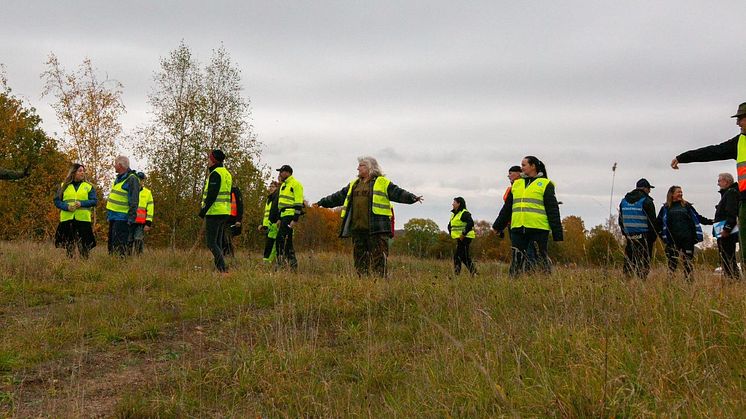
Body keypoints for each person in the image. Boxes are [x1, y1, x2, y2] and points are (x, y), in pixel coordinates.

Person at [315, 156, 423, 277]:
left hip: (377, 229)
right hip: (357, 229)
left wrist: (412, 197)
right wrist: (321, 202)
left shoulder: (382, 182)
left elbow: (397, 192)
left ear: (370, 167)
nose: (358, 168)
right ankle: (363, 284)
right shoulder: (354, 184)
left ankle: (379, 285)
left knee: (379, 260)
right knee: (360, 261)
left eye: (361, 166)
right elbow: (338, 196)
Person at [671, 101, 746, 268]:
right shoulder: (739, 142)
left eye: (741, 118)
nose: (737, 123)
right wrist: (684, 157)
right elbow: (712, 151)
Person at [493, 156, 563, 276]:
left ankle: (545, 282)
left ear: (533, 166)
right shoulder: (517, 184)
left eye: (524, 165)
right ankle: (513, 285)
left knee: (540, 258)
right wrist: (498, 225)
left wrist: (557, 233)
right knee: (516, 259)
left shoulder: (546, 184)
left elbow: (552, 209)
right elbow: (507, 208)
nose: (521, 167)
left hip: (538, 229)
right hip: (518, 228)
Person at [656, 186, 712, 281]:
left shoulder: (687, 206)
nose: (681, 194)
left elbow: (698, 217)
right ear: (672, 194)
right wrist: (662, 236)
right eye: (678, 192)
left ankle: (689, 282)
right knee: (672, 263)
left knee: (688, 263)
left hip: (687, 239)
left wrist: (711, 221)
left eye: (681, 192)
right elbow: (658, 224)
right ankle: (670, 283)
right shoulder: (665, 208)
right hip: (672, 241)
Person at [618, 178, 660, 279]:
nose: (649, 191)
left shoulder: (624, 201)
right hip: (644, 239)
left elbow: (620, 221)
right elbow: (652, 223)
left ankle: (627, 287)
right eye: (649, 189)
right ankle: (641, 287)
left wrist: (626, 234)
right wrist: (652, 239)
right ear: (645, 189)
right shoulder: (647, 201)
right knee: (643, 267)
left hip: (630, 238)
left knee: (629, 265)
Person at [198, 149, 232, 273]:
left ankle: (223, 269)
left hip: (215, 212)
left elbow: (212, 194)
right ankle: (220, 268)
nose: (207, 160)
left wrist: (203, 210)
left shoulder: (216, 174)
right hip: (224, 211)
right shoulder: (226, 173)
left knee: (211, 243)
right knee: (217, 242)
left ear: (213, 160)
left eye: (209, 158)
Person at [53, 163, 97, 258]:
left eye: (83, 171)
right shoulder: (63, 186)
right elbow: (56, 201)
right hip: (67, 220)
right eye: (80, 171)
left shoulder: (89, 186)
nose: (83, 173)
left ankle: (84, 266)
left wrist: (82, 203)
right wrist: (66, 207)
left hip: (83, 220)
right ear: (73, 172)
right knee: (69, 246)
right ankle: (70, 266)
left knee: (85, 247)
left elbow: (94, 201)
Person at [106, 155, 140, 257]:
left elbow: (134, 200)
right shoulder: (118, 179)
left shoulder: (132, 179)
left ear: (120, 165)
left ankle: (120, 265)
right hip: (113, 217)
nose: (114, 166)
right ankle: (112, 265)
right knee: (111, 244)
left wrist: (131, 218)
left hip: (122, 218)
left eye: (115, 163)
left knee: (119, 245)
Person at [275, 165, 304, 271]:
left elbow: (298, 203)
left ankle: (281, 264)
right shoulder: (283, 186)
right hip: (283, 216)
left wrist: (295, 219)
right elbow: (281, 204)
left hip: (290, 215)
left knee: (281, 240)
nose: (279, 174)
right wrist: (278, 218)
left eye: (281, 172)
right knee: (287, 242)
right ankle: (292, 265)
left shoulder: (296, 184)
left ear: (287, 173)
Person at [712, 173, 740, 280]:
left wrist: (726, 229)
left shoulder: (731, 193)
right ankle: (731, 278)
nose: (718, 183)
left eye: (719, 181)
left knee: (728, 258)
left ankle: (732, 279)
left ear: (726, 181)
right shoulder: (727, 194)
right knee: (726, 257)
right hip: (723, 230)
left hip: (726, 232)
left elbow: (731, 213)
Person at [448, 197, 477, 276]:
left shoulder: (464, 213)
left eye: (454, 202)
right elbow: (450, 225)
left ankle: (456, 275)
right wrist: (451, 232)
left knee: (457, 256)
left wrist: (463, 234)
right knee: (465, 257)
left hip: (466, 237)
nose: (452, 204)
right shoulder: (454, 214)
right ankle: (474, 273)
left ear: (459, 204)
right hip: (460, 238)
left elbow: (470, 223)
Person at [132, 172, 154, 255]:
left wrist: (148, 223)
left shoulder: (147, 193)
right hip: (129, 220)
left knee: (138, 240)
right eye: (138, 179)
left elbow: (150, 209)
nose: (140, 181)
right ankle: (128, 259)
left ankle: (138, 258)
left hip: (140, 222)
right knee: (128, 240)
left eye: (141, 180)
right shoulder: (130, 190)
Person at [259, 180, 281, 263]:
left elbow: (277, 212)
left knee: (272, 245)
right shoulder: (269, 199)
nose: (270, 188)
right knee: (268, 245)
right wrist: (262, 224)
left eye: (273, 187)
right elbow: (266, 214)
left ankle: (269, 262)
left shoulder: (276, 198)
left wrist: (277, 222)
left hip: (273, 225)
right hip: (267, 225)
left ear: (277, 188)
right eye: (270, 186)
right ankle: (267, 261)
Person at [222, 185, 243, 257]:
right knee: (221, 238)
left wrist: (238, 220)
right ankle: (223, 256)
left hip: (232, 221)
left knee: (226, 238)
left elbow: (240, 206)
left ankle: (229, 256)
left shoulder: (235, 191)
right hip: (222, 220)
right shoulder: (222, 190)